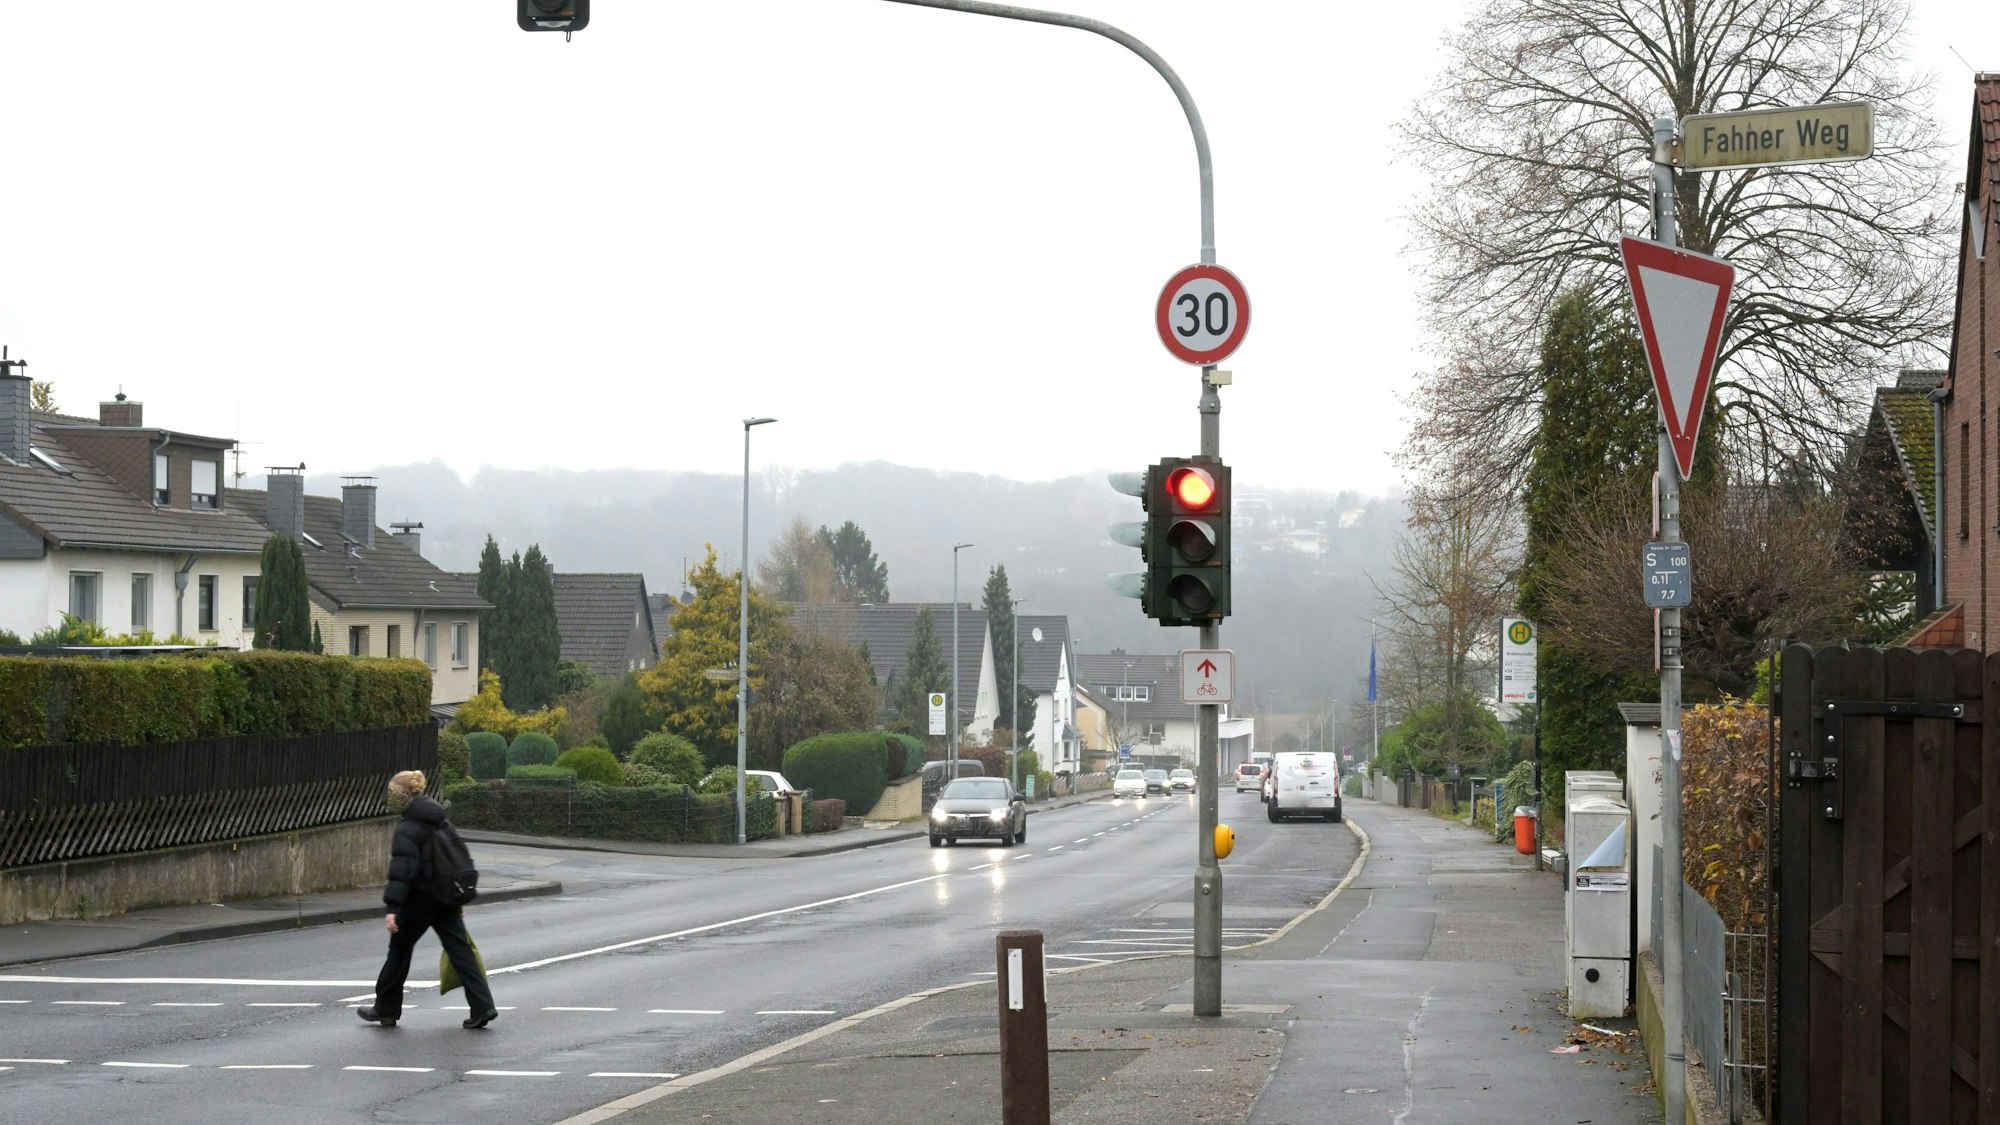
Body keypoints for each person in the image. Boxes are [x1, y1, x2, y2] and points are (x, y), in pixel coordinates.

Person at [356, 770, 497, 1030]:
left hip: (419, 902)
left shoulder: (408, 827)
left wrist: (392, 908)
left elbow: (403, 871)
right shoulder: (442, 820)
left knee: (398, 952)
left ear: (401, 797)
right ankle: (483, 1006)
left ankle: (385, 1008)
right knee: (461, 953)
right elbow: (458, 858)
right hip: (446, 899)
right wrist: (457, 901)